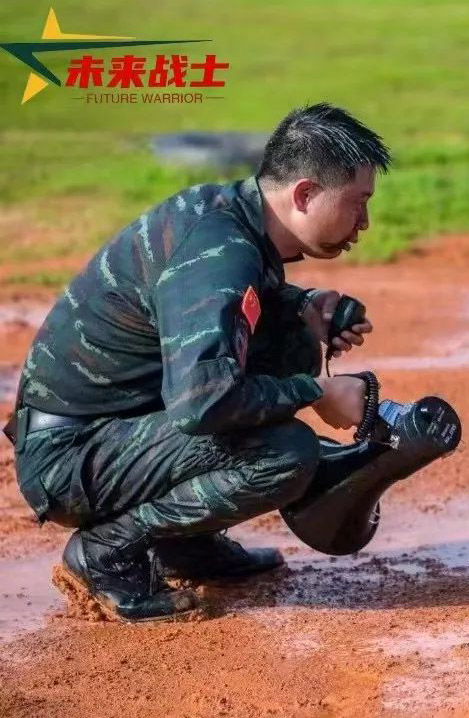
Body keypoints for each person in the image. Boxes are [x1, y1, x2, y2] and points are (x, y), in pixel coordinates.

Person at [5, 103, 389, 622]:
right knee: (284, 453)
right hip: (69, 458)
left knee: (291, 341)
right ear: (304, 193)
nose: (364, 221)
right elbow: (202, 402)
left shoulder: (232, 216)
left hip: (108, 430)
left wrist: (304, 305)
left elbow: (229, 308)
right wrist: (316, 393)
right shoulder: (222, 253)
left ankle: (186, 543)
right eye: (358, 202)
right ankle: (110, 548)